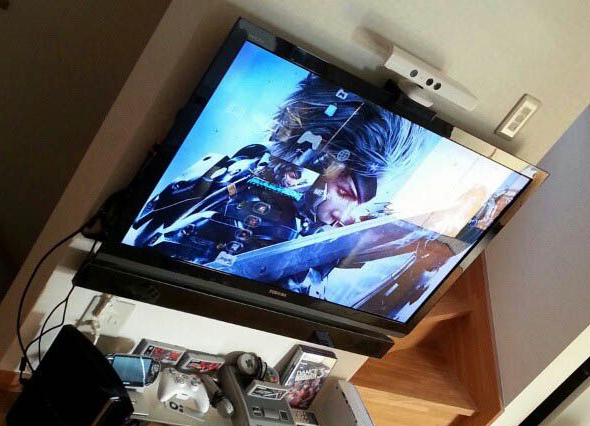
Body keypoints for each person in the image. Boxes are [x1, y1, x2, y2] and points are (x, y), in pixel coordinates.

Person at [127, 74, 453, 318]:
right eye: (344, 192)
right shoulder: (247, 186)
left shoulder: (257, 180)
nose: (344, 215)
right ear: (312, 160)